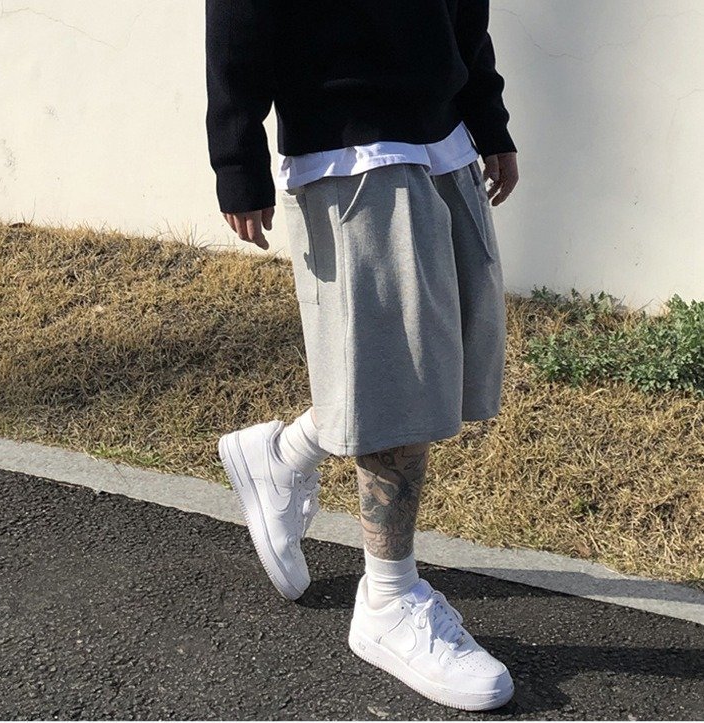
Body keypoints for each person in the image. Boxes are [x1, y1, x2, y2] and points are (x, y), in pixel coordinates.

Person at [206, 0, 519, 711]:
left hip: (443, 137)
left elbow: (465, 11)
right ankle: (387, 600)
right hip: (350, 149)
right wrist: (236, 155)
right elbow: (237, 20)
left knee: (440, 368)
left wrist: (488, 116)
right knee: (400, 384)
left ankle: (282, 454)